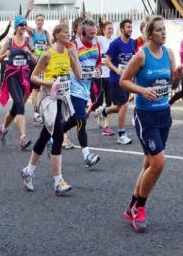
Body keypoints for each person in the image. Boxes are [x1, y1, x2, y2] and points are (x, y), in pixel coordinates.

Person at [121, 16, 181, 232]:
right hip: (145, 116)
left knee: (149, 164)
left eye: (164, 29)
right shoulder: (141, 56)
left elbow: (173, 84)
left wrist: (178, 77)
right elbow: (124, 81)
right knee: (158, 164)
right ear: (149, 34)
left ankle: (131, 207)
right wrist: (142, 90)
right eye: (158, 30)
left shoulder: (169, 53)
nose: (163, 33)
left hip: (164, 114)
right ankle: (141, 208)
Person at [21, 23, 80, 196]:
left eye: (69, 33)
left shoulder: (68, 52)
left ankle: (28, 170)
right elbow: (33, 77)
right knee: (57, 135)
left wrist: (74, 57)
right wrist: (49, 83)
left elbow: (79, 75)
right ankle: (58, 181)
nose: (68, 35)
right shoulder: (48, 54)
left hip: (62, 99)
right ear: (56, 34)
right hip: (48, 99)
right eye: (65, 33)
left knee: (45, 135)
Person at [67, 19, 104, 168]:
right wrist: (83, 73)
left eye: (94, 33)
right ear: (82, 32)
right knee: (82, 119)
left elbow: (98, 63)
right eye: (90, 34)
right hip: (73, 89)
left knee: (75, 119)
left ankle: (53, 135)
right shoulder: (74, 45)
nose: (92, 36)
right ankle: (87, 155)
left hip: (85, 90)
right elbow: (73, 68)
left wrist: (98, 71)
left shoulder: (96, 45)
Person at [0, 16, 34, 150]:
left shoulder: (28, 41)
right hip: (12, 75)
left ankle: (3, 128)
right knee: (19, 103)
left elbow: (35, 60)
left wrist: (29, 52)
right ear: (16, 27)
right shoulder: (9, 41)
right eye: (21, 25)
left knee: (15, 108)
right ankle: (23, 138)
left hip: (23, 76)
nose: (23, 27)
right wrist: (5, 54)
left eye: (25, 25)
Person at [102, 19, 137, 144]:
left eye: (131, 27)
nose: (130, 29)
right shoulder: (115, 44)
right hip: (116, 79)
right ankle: (121, 134)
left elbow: (133, 58)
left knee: (120, 107)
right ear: (122, 29)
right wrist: (117, 70)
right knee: (125, 105)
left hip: (127, 78)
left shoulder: (133, 43)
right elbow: (107, 60)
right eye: (128, 27)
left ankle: (104, 111)